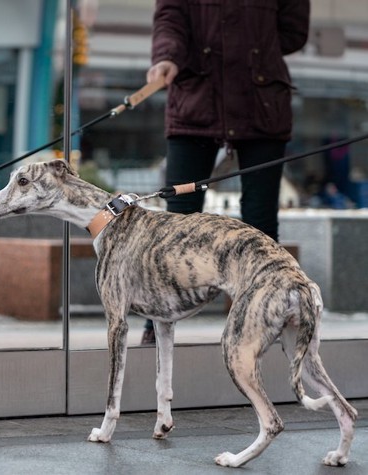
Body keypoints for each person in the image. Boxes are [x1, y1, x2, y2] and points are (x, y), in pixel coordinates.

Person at [141, 0, 311, 345]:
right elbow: (170, 17)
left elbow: (293, 32)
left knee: (261, 223)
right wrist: (167, 57)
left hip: (260, 100)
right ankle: (158, 321)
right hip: (196, 99)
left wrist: (253, 50)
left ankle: (264, 318)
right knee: (179, 223)